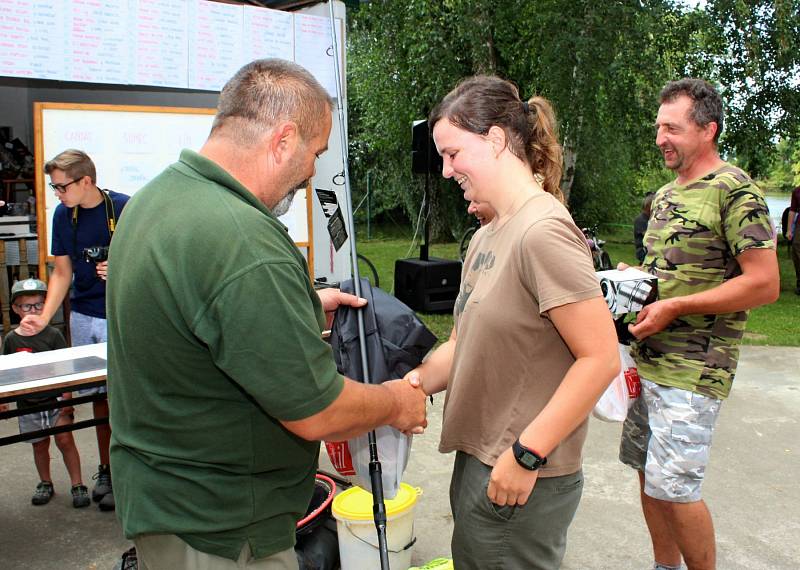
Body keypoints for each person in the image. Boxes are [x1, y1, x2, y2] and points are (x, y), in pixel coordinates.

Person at [106, 58, 427, 570]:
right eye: (315, 153)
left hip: (166, 503)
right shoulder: (244, 239)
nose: (312, 173)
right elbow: (316, 411)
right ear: (283, 140)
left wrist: (297, 304)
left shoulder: (156, 200)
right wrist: (394, 403)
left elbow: (195, 310)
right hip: (222, 529)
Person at [406, 75, 620, 569]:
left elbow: (600, 357)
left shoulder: (543, 230)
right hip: (480, 458)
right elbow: (462, 341)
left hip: (523, 475)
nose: (444, 171)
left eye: (453, 153)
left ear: (497, 140)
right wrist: (410, 386)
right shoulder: (488, 234)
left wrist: (527, 454)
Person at [619, 78, 779, 570]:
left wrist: (674, 308)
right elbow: (670, 275)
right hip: (648, 363)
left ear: (707, 129)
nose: (660, 137)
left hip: (695, 369)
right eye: (658, 127)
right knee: (648, 477)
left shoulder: (736, 191)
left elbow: (764, 283)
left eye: (672, 127)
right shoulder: (666, 195)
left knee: (677, 488)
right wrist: (634, 283)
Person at [16, 149, 129, 512]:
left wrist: (124, 267)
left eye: (62, 187)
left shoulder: (125, 208)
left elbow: (155, 261)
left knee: (122, 399)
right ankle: (107, 471)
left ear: (86, 181)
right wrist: (44, 318)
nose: (58, 194)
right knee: (97, 399)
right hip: (83, 314)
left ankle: (129, 474)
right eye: (54, 187)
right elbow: (62, 272)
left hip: (120, 315)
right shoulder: (64, 215)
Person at [3, 278, 91, 508]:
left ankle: (77, 483)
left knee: (65, 440)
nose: (33, 310)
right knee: (39, 444)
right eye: (26, 306)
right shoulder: (11, 339)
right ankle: (45, 482)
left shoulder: (53, 335)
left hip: (54, 400)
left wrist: (67, 403)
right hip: (28, 404)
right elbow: (6, 371)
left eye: (39, 305)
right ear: (15, 309)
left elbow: (66, 369)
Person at [634, 193, 655, 263]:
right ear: (648, 206)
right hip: (643, 252)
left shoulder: (651, 219)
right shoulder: (641, 220)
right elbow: (649, 237)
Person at [787, 185, 800, 294]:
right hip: (799, 226)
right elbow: (792, 211)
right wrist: (789, 230)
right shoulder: (797, 191)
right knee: (796, 252)